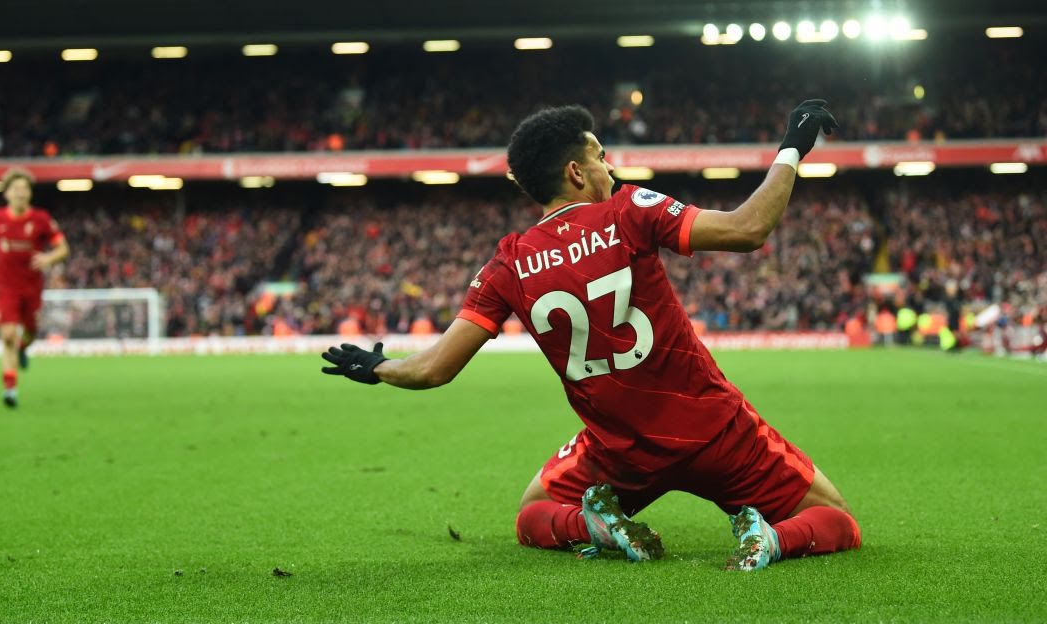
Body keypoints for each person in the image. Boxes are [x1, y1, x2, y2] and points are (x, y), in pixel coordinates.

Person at [321, 100, 861, 570]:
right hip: (713, 432)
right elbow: (748, 228)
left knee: (534, 513)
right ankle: (771, 537)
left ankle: (596, 529)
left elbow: (434, 368)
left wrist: (377, 367)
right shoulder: (628, 211)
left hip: (618, 451)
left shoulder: (510, 262)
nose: (611, 167)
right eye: (602, 156)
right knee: (833, 518)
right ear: (576, 173)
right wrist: (792, 148)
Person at [0, 169, 69, 407]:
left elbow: (63, 249)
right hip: (5, 286)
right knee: (6, 336)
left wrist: (48, 259)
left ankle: (23, 348)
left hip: (31, 287)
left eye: (24, 189)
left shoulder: (41, 219)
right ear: (6, 194)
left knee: (30, 332)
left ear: (30, 193)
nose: (20, 193)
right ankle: (10, 389)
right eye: (16, 189)